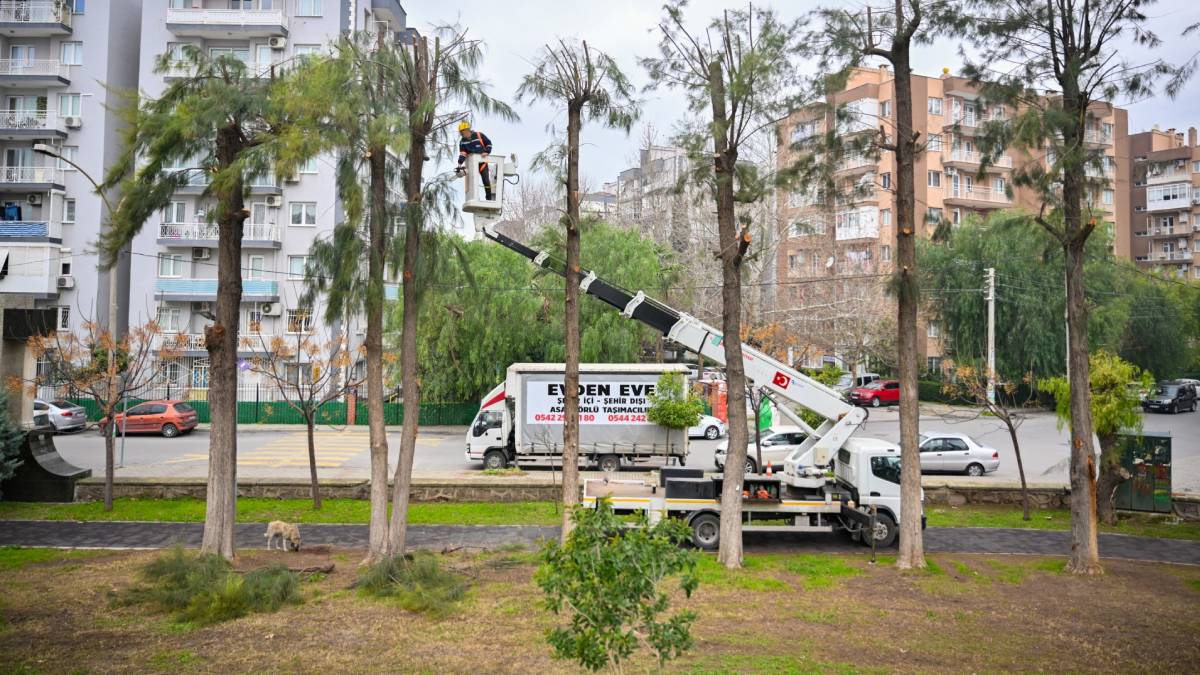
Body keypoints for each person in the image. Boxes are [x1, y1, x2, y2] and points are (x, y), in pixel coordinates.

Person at [456, 121, 494, 200]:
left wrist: (486, 152)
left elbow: (488, 143)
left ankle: (489, 198)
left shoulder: (479, 135)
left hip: (482, 162)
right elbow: (463, 153)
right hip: (472, 164)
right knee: (472, 182)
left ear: (467, 130)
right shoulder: (462, 141)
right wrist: (459, 163)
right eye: (460, 132)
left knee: (486, 181)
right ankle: (475, 199)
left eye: (462, 132)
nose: (461, 134)